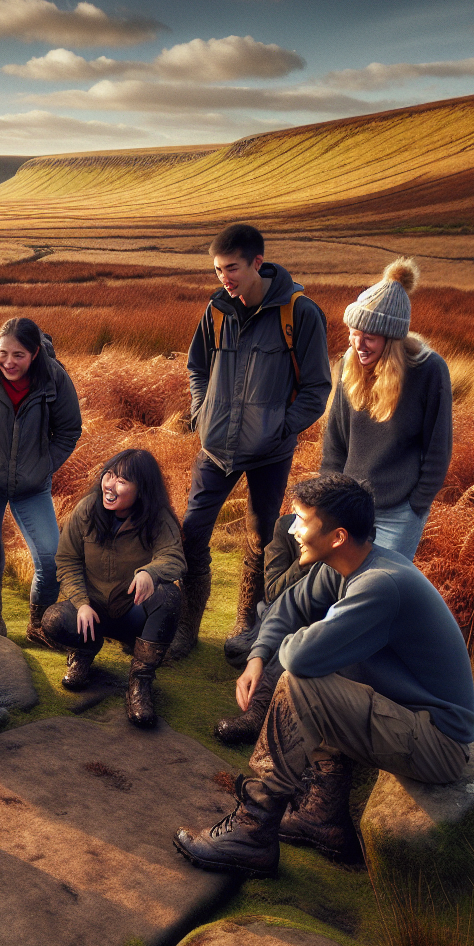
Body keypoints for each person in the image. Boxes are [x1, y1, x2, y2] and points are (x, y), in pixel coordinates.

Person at [174, 474, 474, 873]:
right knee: (321, 669)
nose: (292, 529)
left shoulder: (381, 584)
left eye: (301, 519)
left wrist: (305, 641)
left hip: (437, 743)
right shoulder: (346, 563)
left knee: (302, 683)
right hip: (403, 715)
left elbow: (300, 658)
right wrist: (257, 657)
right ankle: (321, 816)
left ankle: (252, 829)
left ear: (337, 536)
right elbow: (286, 608)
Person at [173, 224, 333, 665]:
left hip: (270, 452)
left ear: (257, 263)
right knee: (191, 533)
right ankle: (187, 625)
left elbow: (318, 386)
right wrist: (203, 412)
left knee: (262, 537)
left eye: (232, 268)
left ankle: (247, 623)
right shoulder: (217, 310)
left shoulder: (299, 313)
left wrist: (281, 428)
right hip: (215, 448)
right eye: (218, 269)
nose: (225, 277)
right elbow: (196, 368)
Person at [0, 317, 82, 644]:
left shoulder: (55, 380)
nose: (8, 362)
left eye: (18, 355)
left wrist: (45, 465)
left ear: (35, 353)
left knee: (50, 558)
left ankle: (39, 625)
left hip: (32, 486)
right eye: (2, 352)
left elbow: (69, 431)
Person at [41, 449, 183, 727]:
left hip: (132, 611)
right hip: (92, 610)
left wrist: (150, 573)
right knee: (53, 621)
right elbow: (67, 560)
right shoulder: (86, 509)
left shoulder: (158, 517)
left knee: (169, 596)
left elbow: (174, 557)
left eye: (122, 481)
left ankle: (139, 683)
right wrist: (81, 603)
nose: (110, 485)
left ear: (141, 490)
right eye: (109, 475)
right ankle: (84, 651)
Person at [321, 258, 451, 558]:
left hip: (400, 512)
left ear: (392, 339)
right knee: (340, 589)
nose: (359, 344)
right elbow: (335, 442)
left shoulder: (429, 371)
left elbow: (438, 448)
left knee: (384, 591)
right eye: (354, 333)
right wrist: (329, 497)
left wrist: (417, 505)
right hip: (348, 507)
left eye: (370, 337)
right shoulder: (347, 365)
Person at [211, 514, 308, 745]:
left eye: (304, 520)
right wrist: (304, 561)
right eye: (298, 517)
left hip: (306, 629)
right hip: (276, 614)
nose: (297, 529)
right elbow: (275, 594)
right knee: (236, 650)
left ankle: (258, 711)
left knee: (293, 642)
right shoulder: (287, 527)